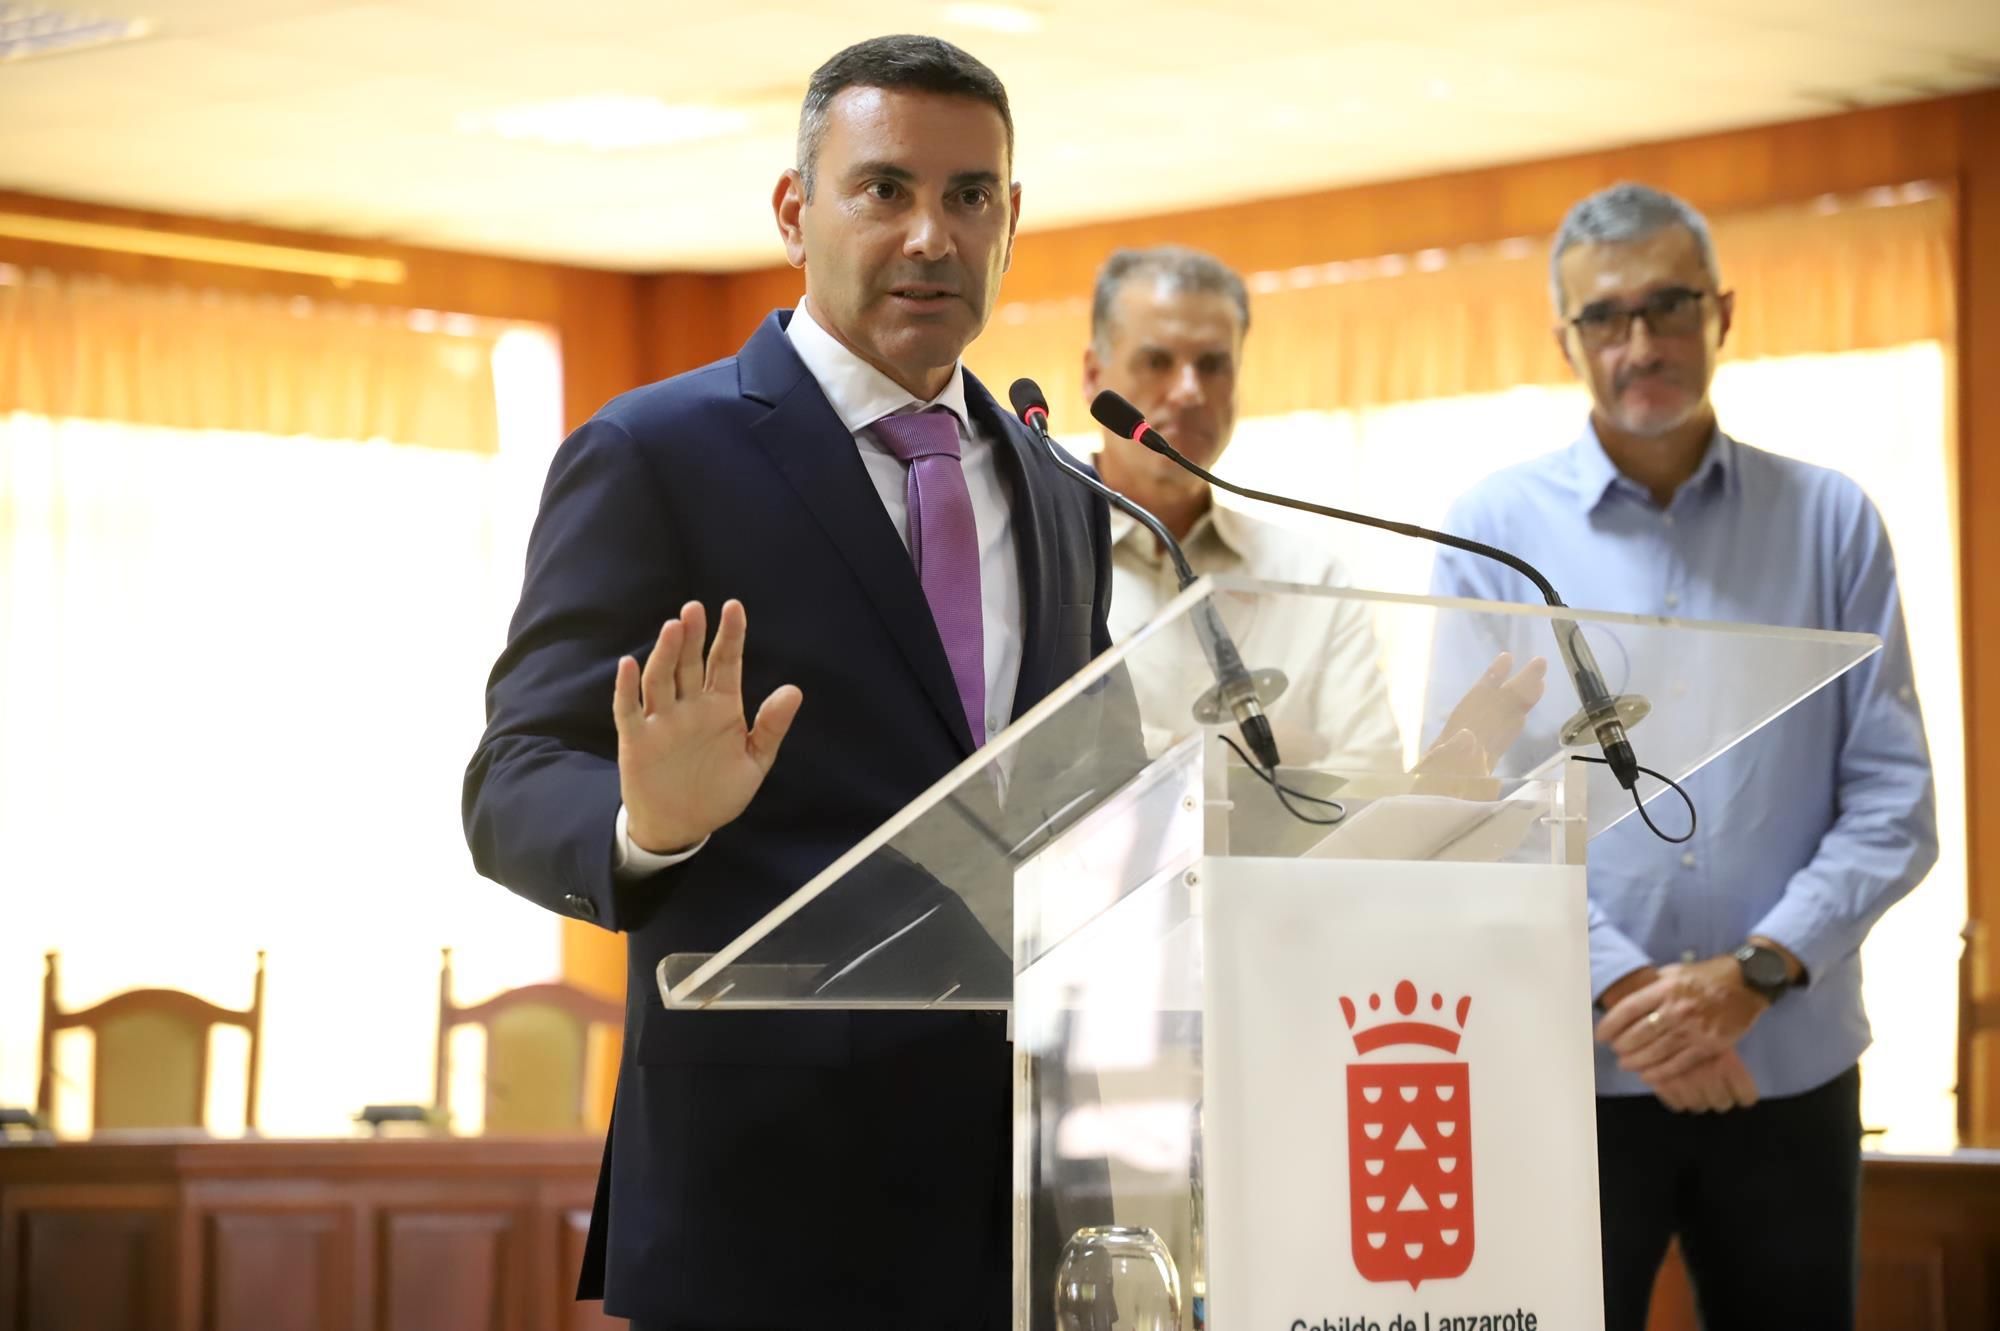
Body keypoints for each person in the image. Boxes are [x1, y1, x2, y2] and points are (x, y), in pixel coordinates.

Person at [463, 35, 1118, 1330]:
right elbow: (512, 779)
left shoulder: (1060, 489)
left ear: (1010, 219)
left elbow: (1084, 786)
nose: (933, 233)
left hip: (1028, 1187)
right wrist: (654, 820)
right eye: (884, 189)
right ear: (792, 210)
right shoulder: (656, 453)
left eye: (970, 195)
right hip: (766, 1198)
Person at [1427, 182, 1936, 1330]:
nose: (1639, 342)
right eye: (1603, 317)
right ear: (1563, 339)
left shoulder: (1831, 520)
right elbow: (1482, 807)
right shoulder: (1486, 536)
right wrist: (1638, 996)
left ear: (1723, 312)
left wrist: (1749, 975)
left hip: (1786, 1063)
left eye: (1667, 306)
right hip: (1571, 1072)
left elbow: (1892, 798)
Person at [1080, 245, 1404, 771]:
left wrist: (1180, 754)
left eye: (1212, 366)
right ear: (1094, 376)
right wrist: (1237, 754)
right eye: (1157, 361)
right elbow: (1045, 767)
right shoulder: (1026, 554)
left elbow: (1372, 771)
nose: (1188, 391)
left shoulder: (1309, 576)